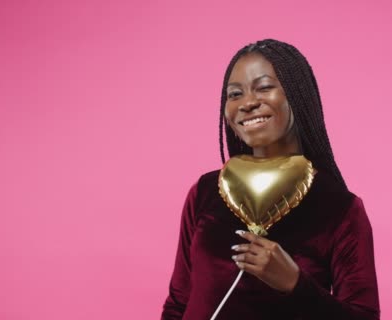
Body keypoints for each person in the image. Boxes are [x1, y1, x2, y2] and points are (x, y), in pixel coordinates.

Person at [161, 39, 380, 319]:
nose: (248, 103)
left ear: (297, 94)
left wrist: (295, 284)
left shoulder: (340, 208)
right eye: (235, 94)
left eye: (264, 88)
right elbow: (179, 303)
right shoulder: (205, 192)